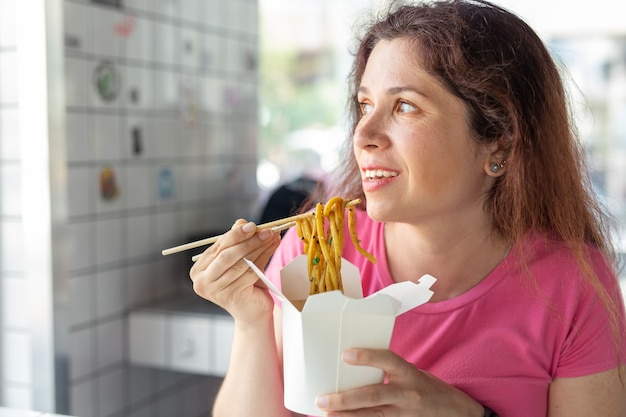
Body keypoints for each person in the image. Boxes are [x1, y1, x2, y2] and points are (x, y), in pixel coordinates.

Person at [190, 1, 626, 416]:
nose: (364, 134)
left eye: (404, 106)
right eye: (365, 105)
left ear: (499, 141)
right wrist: (252, 322)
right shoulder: (317, 249)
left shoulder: (574, 284)